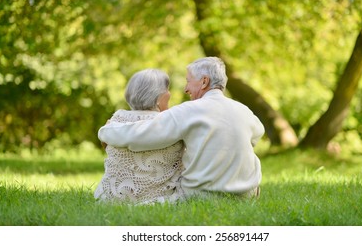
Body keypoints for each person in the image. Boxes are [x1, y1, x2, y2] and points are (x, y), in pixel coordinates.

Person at [98, 57, 265, 199]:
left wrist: (106, 130)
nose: (186, 89)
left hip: (203, 195)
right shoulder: (245, 111)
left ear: (204, 81)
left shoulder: (188, 111)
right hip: (246, 195)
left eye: (188, 81)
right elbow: (258, 133)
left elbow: (141, 134)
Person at [94, 69, 185, 204]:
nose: (169, 93)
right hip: (155, 198)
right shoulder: (170, 123)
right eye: (167, 89)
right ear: (160, 97)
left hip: (109, 197)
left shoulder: (117, 118)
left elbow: (107, 146)